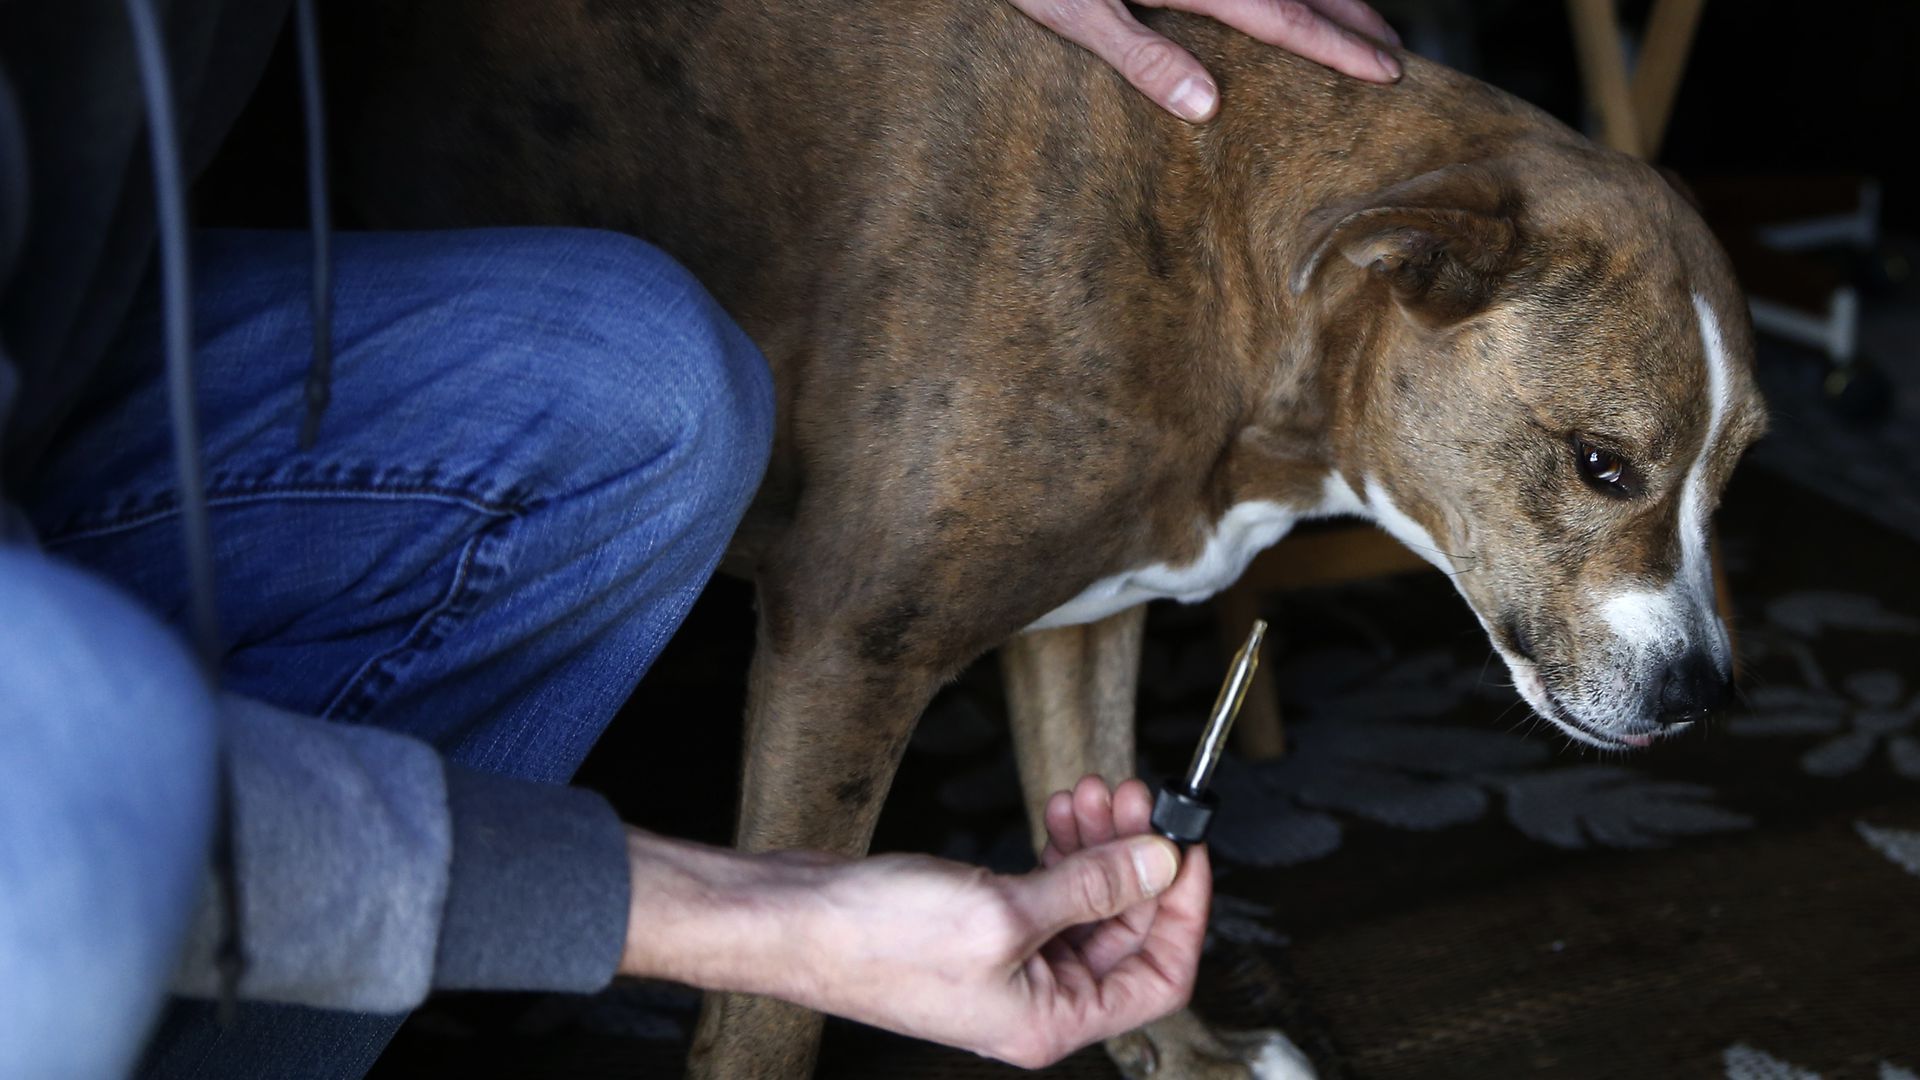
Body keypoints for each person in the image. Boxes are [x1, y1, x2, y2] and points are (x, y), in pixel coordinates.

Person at [0, 1, 1396, 1077]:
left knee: (655, 392)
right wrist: (770, 922)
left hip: (69, 361)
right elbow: (46, 794)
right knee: (82, 790)